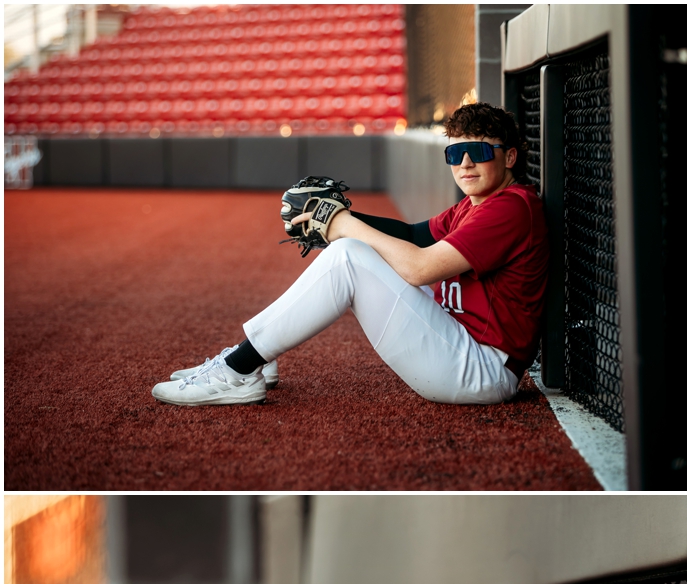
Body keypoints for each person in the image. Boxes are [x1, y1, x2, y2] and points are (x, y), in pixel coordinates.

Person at [151, 102, 547, 407]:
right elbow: (412, 234)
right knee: (350, 247)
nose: (464, 163)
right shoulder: (475, 203)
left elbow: (420, 268)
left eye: (478, 151)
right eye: (454, 153)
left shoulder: (510, 207)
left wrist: (340, 223)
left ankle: (239, 370)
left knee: (348, 257)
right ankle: (257, 357)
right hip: (461, 337)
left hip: (482, 367)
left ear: (509, 157)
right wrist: (340, 217)